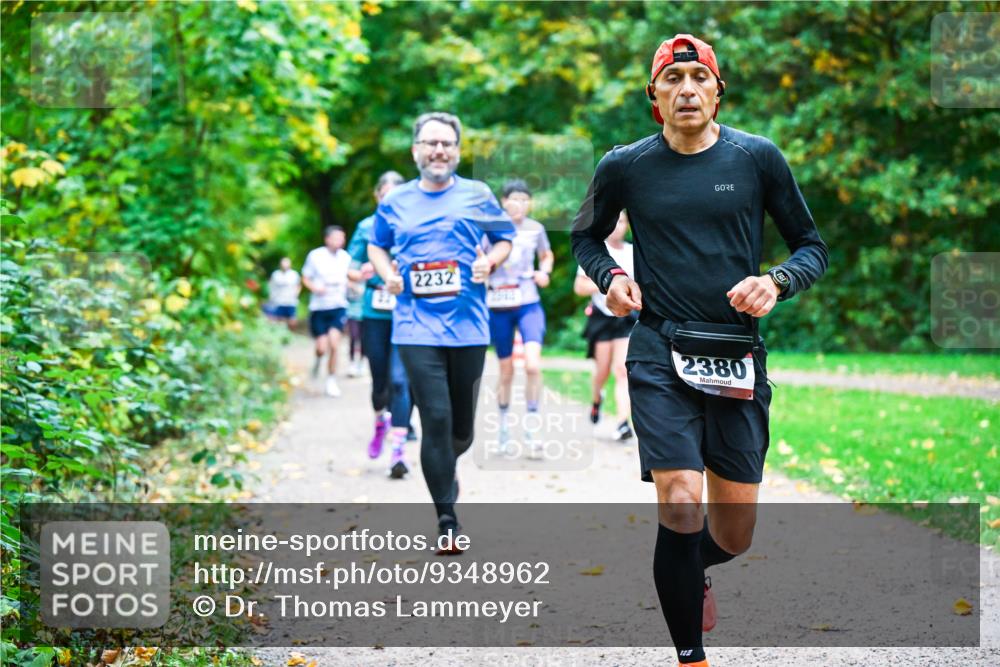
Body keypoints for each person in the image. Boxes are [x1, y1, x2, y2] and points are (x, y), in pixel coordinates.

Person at [571, 34, 828, 667]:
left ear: (718, 91)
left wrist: (776, 281)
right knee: (681, 500)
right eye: (673, 79)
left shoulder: (757, 158)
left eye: (699, 78)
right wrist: (611, 277)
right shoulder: (624, 166)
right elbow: (585, 237)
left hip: (735, 354)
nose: (686, 89)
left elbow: (811, 247)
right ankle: (692, 657)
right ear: (654, 96)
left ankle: (693, 567)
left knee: (733, 535)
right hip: (659, 348)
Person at [368, 112, 514, 552]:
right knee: (434, 418)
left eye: (446, 144)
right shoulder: (395, 202)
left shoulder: (478, 195)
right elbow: (377, 245)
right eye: (430, 143)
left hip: (468, 327)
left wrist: (491, 261)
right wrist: (386, 275)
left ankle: (445, 468)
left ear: (457, 151)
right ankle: (447, 519)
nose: (438, 150)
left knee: (461, 432)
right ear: (415, 150)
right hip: (415, 327)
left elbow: (504, 238)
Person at [347, 170, 415, 479]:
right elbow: (349, 268)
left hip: (406, 311)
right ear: (377, 196)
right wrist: (359, 273)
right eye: (385, 195)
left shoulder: (413, 225)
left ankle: (398, 451)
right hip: (374, 310)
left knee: (400, 381)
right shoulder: (366, 227)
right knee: (380, 384)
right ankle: (379, 424)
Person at [485, 179, 554, 457]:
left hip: (528, 303)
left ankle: (532, 427)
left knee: (533, 366)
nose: (520, 205)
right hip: (499, 304)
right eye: (514, 199)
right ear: (504, 202)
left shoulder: (535, 228)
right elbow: (480, 258)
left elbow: (546, 255)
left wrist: (544, 272)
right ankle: (503, 429)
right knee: (506, 371)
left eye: (525, 200)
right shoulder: (491, 229)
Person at [573, 210, 635, 441]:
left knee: (622, 370)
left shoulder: (633, 252)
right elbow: (579, 287)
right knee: (602, 371)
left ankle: (623, 422)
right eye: (614, 221)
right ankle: (596, 400)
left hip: (625, 318)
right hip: (601, 317)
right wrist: (609, 283)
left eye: (622, 222)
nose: (617, 226)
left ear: (628, 225)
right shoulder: (596, 251)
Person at [302, 225, 354, 398]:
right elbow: (305, 278)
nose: (340, 241)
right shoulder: (315, 256)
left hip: (338, 305)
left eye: (342, 238)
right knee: (322, 347)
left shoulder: (346, 257)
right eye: (337, 237)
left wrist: (353, 285)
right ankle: (318, 359)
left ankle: (331, 380)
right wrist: (315, 288)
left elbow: (349, 277)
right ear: (327, 239)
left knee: (334, 344)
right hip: (319, 307)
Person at [265, 257, 300, 329]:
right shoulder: (275, 274)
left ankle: (291, 333)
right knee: (278, 320)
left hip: (291, 301)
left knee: (292, 321)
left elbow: (298, 285)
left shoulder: (294, 274)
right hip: (278, 301)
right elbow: (270, 285)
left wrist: (296, 294)